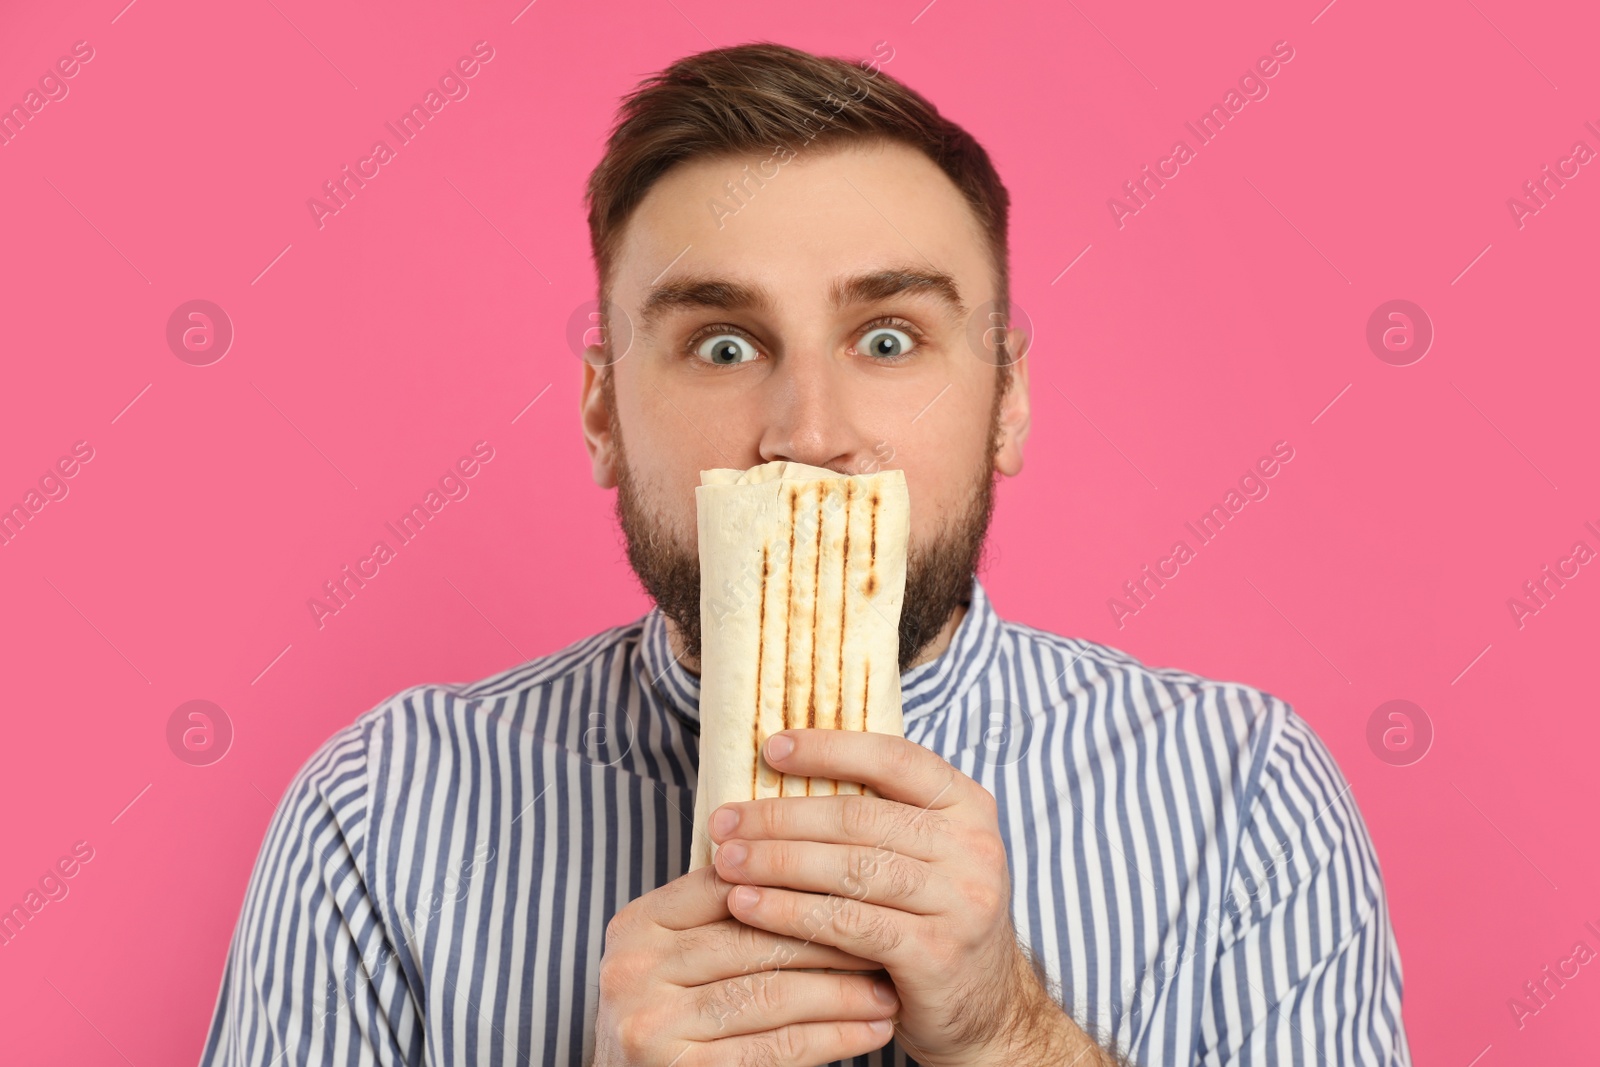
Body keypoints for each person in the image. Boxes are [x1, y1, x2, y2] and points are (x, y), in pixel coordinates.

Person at [199, 42, 1409, 1067]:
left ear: (1007, 401)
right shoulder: (377, 812)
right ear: (603, 413)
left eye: (889, 338)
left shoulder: (1242, 792)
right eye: (723, 347)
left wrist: (1005, 1029)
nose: (808, 436)